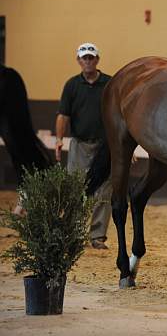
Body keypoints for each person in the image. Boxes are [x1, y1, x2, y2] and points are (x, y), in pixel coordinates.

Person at [55, 42, 112, 249]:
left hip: (105, 147)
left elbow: (118, 115)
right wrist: (60, 139)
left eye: (91, 57)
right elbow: (63, 115)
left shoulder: (109, 83)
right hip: (79, 145)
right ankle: (75, 233)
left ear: (97, 59)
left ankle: (97, 236)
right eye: (84, 57)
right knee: (75, 189)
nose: (88, 61)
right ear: (78, 61)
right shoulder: (71, 85)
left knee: (104, 192)